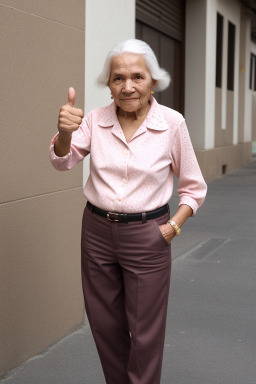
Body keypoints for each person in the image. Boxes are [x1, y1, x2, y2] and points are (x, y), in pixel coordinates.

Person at [49, 39, 207, 384]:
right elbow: (64, 160)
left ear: (154, 81)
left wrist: (172, 227)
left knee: (145, 331)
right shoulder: (95, 120)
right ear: (108, 85)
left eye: (137, 76)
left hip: (148, 233)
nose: (128, 86)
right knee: (105, 325)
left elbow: (194, 186)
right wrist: (64, 133)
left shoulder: (172, 123)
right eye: (118, 78)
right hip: (96, 231)